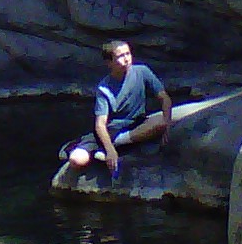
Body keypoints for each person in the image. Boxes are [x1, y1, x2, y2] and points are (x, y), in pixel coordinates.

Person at [61, 40, 172, 178]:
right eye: (120, 56)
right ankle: (82, 145)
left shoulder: (142, 71)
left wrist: (168, 128)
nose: (126, 58)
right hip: (111, 131)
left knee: (160, 122)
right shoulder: (104, 88)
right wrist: (110, 150)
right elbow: (100, 124)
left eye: (128, 54)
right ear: (109, 62)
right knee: (76, 160)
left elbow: (164, 98)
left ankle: (115, 145)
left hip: (136, 125)